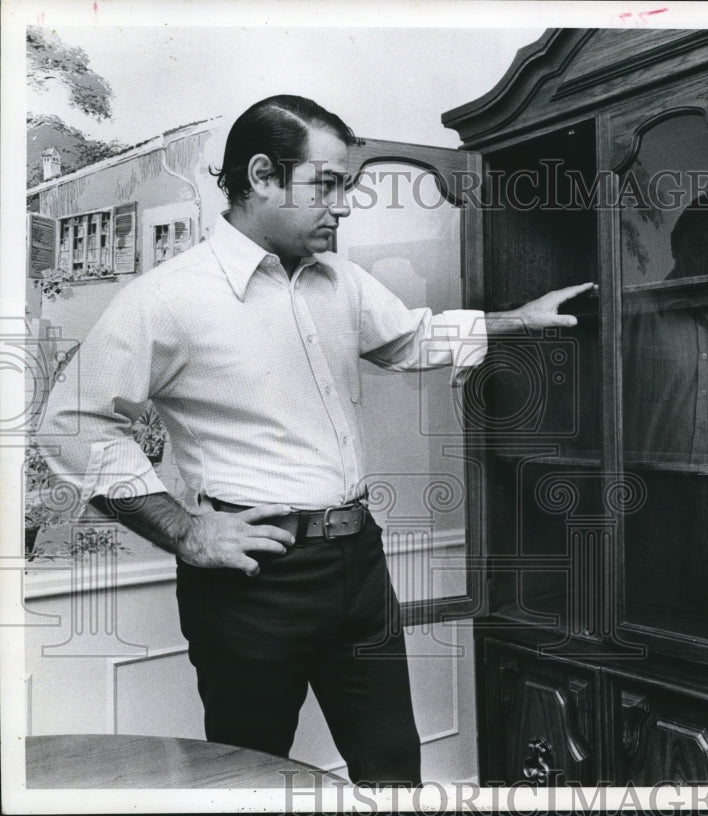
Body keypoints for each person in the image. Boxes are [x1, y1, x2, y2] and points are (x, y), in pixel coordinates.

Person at [39, 95, 593, 786]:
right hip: (253, 580)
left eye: (347, 187)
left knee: (393, 769)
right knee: (251, 774)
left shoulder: (340, 281)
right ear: (263, 175)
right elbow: (72, 421)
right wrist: (183, 531)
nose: (343, 205)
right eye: (326, 185)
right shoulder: (167, 298)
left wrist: (515, 320)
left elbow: (408, 338)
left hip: (358, 563)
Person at [622, 194, 708, 641]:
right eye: (701, 246)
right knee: (647, 638)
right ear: (677, 246)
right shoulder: (633, 316)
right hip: (648, 500)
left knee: (699, 636)